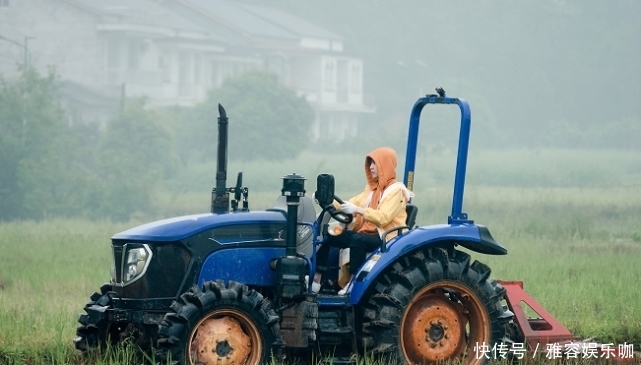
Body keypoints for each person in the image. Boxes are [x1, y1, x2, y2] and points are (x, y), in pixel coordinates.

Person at [314, 147, 414, 294]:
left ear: (385, 165)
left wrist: (358, 210)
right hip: (367, 233)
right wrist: (327, 201)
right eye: (370, 163)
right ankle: (316, 280)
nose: (371, 167)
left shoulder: (396, 191)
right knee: (330, 234)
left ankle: (353, 283)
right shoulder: (371, 190)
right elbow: (350, 203)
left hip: (386, 237)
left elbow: (383, 217)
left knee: (358, 240)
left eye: (375, 163)